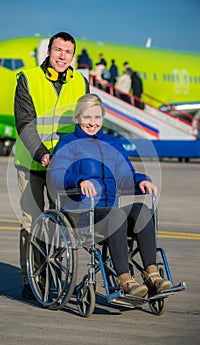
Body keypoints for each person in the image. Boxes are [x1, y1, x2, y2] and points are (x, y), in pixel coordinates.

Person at [49, 94, 172, 297]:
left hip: (110, 210)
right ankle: (124, 279)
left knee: (142, 208)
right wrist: (79, 180)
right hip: (81, 213)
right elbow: (57, 174)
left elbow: (125, 176)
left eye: (97, 117)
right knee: (115, 215)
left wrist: (140, 180)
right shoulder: (67, 143)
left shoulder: (113, 143)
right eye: (87, 117)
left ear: (103, 117)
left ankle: (152, 274)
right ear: (77, 118)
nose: (92, 123)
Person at [14, 32, 90, 299]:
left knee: (63, 223)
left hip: (65, 167)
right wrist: (43, 154)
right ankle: (31, 278)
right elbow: (24, 122)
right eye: (58, 50)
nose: (62, 56)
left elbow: (86, 123)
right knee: (31, 222)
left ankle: (56, 271)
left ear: (72, 56)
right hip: (32, 162)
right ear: (49, 51)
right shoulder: (28, 79)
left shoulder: (81, 82)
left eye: (67, 52)